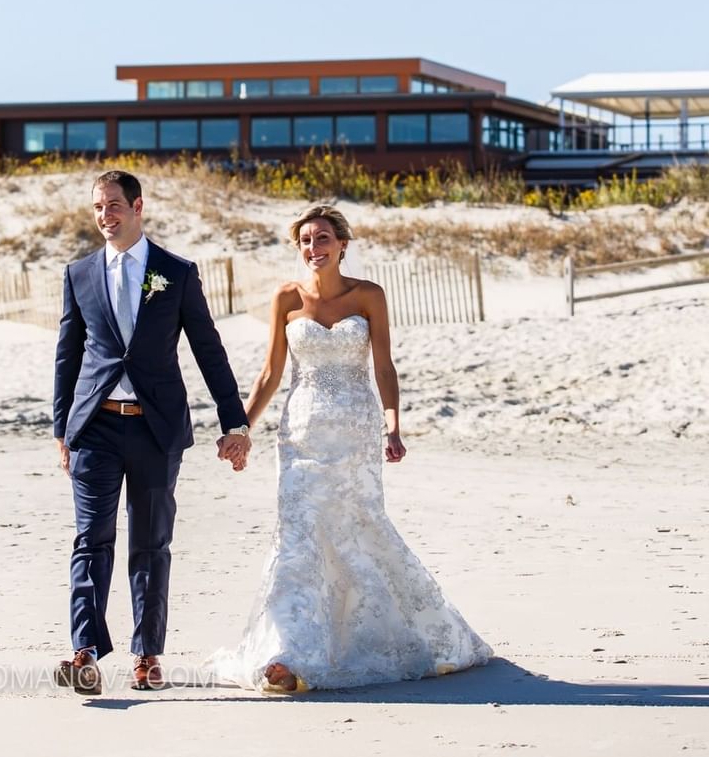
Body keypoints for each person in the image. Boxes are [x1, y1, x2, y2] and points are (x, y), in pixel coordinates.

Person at [212, 202, 491, 694]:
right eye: (305, 241)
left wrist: (393, 425)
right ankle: (288, 652)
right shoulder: (285, 298)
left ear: (342, 244)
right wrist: (241, 429)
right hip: (300, 436)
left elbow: (383, 366)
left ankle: (383, 636)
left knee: (358, 529)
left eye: (322, 239)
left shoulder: (370, 296)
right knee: (298, 537)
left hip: (356, 435)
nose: (313, 248)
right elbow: (269, 374)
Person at [52, 169, 251, 695]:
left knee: (150, 544)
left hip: (155, 431)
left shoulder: (175, 273)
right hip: (93, 428)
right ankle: (85, 651)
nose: (104, 215)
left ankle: (147, 655)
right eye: (97, 207)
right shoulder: (79, 274)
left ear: (138, 206)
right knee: (90, 539)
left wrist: (234, 421)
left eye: (113, 205)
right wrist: (61, 428)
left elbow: (208, 349)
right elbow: (67, 357)